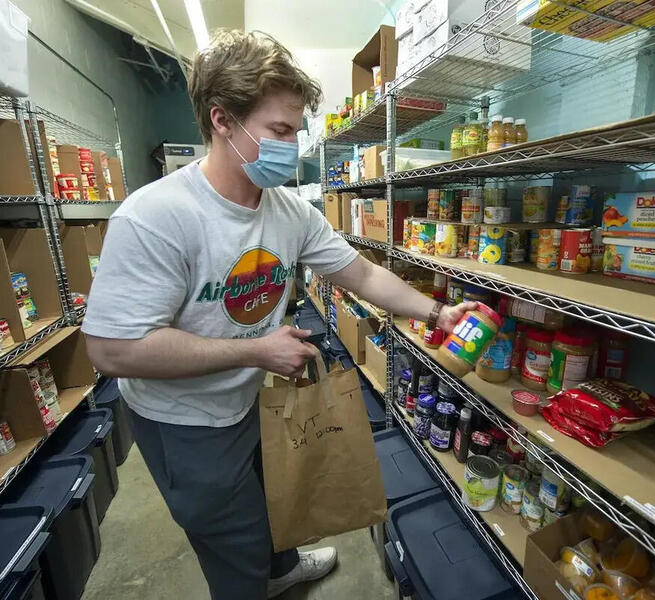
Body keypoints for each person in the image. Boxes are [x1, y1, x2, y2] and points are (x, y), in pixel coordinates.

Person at [82, 30, 474, 600]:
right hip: (183, 419)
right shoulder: (157, 217)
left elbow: (360, 274)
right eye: (279, 131)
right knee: (232, 542)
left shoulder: (287, 212)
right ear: (222, 120)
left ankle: (282, 568)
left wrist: (437, 312)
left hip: (247, 397)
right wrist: (256, 349)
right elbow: (112, 350)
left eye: (295, 131)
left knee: (274, 496)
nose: (290, 147)